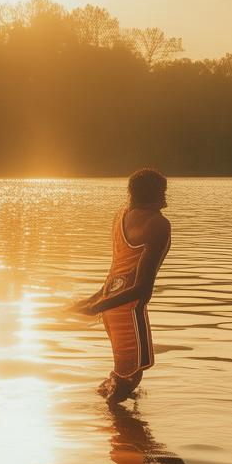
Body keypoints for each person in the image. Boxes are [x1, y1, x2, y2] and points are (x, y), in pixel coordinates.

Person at [73, 169, 172, 404]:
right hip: (128, 309)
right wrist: (96, 305)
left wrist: (97, 301)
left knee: (121, 378)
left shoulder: (120, 216)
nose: (165, 196)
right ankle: (113, 421)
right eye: (162, 191)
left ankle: (111, 419)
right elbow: (143, 289)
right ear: (152, 194)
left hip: (111, 307)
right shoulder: (158, 224)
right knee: (128, 380)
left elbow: (117, 272)